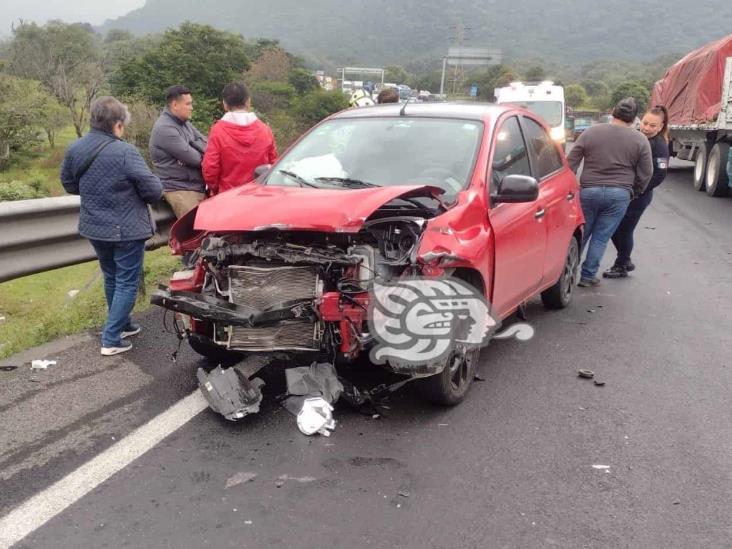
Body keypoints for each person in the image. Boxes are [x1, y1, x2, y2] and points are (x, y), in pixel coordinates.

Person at [61, 96, 163, 356]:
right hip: (126, 228)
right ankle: (111, 338)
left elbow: (69, 184)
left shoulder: (76, 148)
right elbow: (153, 190)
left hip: (95, 226)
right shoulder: (126, 151)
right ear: (118, 124)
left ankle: (124, 324)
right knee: (127, 281)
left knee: (112, 276)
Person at [567, 97, 653, 287]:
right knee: (601, 237)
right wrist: (634, 192)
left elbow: (571, 161)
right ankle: (588, 276)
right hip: (619, 194)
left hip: (589, 191)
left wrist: (571, 186)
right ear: (634, 118)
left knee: (583, 233)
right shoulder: (640, 140)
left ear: (614, 111)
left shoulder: (591, 132)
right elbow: (646, 173)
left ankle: (566, 275)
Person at [604, 106, 670, 278]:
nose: (647, 128)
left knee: (624, 229)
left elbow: (659, 175)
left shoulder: (660, 146)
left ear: (661, 126)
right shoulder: (636, 137)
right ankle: (625, 260)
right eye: (645, 123)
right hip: (625, 192)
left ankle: (621, 264)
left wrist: (637, 190)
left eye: (652, 126)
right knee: (613, 228)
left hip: (639, 196)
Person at [202, 82, 278, 195]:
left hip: (228, 196)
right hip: (259, 195)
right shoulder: (265, 130)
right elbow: (274, 164)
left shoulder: (218, 131)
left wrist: (216, 189)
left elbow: (210, 169)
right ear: (248, 101)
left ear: (225, 104)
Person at [149, 85, 208, 218]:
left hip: (194, 186)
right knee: (196, 233)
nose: (191, 107)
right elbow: (196, 159)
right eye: (188, 104)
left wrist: (196, 146)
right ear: (175, 105)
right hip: (180, 190)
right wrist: (198, 148)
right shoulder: (165, 128)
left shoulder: (184, 123)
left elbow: (206, 144)